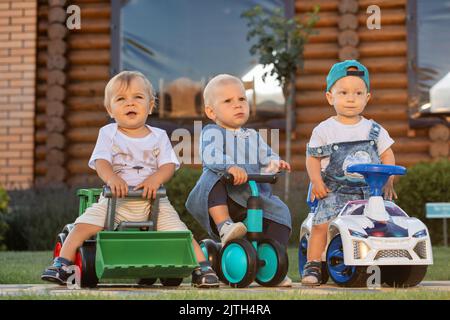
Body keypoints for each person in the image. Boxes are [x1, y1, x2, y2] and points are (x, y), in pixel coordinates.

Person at [41, 71, 219, 288]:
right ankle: (62, 264)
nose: (130, 103)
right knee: (81, 227)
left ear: (151, 105)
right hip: (116, 200)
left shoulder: (158, 136)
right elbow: (101, 162)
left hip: (154, 202)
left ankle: (203, 268)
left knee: (181, 233)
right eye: (121, 99)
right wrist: (112, 178)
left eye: (138, 97)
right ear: (110, 109)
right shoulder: (109, 133)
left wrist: (156, 178)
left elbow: (168, 165)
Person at [185, 74, 292, 286]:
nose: (238, 105)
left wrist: (274, 163)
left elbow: (266, 155)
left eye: (242, 99)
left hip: (252, 194)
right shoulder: (212, 132)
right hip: (226, 196)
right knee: (211, 174)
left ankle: (271, 260)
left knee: (281, 212)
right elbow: (210, 154)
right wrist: (230, 167)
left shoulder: (252, 136)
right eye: (228, 101)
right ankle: (225, 225)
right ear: (211, 111)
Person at [302, 60, 396, 286]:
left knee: (382, 225)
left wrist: (389, 179)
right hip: (334, 189)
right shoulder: (325, 129)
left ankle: (384, 262)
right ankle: (314, 264)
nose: (351, 98)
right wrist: (316, 181)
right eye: (343, 92)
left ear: (367, 97)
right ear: (330, 97)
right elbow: (312, 158)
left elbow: (387, 155)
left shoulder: (374, 129)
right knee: (321, 224)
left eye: (358, 92)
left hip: (368, 192)